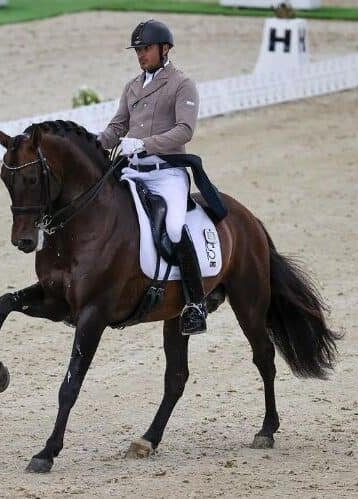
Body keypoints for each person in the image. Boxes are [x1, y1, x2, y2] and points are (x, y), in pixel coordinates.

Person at [97, 19, 207, 335]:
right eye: (138, 50)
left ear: (164, 49)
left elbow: (185, 130)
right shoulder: (132, 87)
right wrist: (96, 142)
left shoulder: (182, 84)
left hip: (167, 173)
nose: (141, 55)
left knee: (173, 227)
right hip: (133, 171)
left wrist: (145, 143)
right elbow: (118, 126)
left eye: (146, 49)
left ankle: (196, 304)